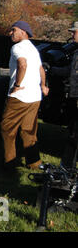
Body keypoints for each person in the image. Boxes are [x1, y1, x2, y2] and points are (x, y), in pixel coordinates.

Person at [0, 21, 49, 172]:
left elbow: (22, 64)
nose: (10, 33)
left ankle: (10, 163)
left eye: (13, 30)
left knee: (7, 128)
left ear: (23, 32)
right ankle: (34, 163)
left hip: (19, 96)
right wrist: (43, 86)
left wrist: (17, 85)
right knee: (28, 130)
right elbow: (41, 68)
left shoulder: (17, 47)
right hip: (35, 96)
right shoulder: (33, 49)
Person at [48, 21, 78, 169]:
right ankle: (67, 166)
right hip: (74, 97)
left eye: (74, 32)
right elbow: (69, 71)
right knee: (73, 132)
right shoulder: (76, 52)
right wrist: (52, 69)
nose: (72, 35)